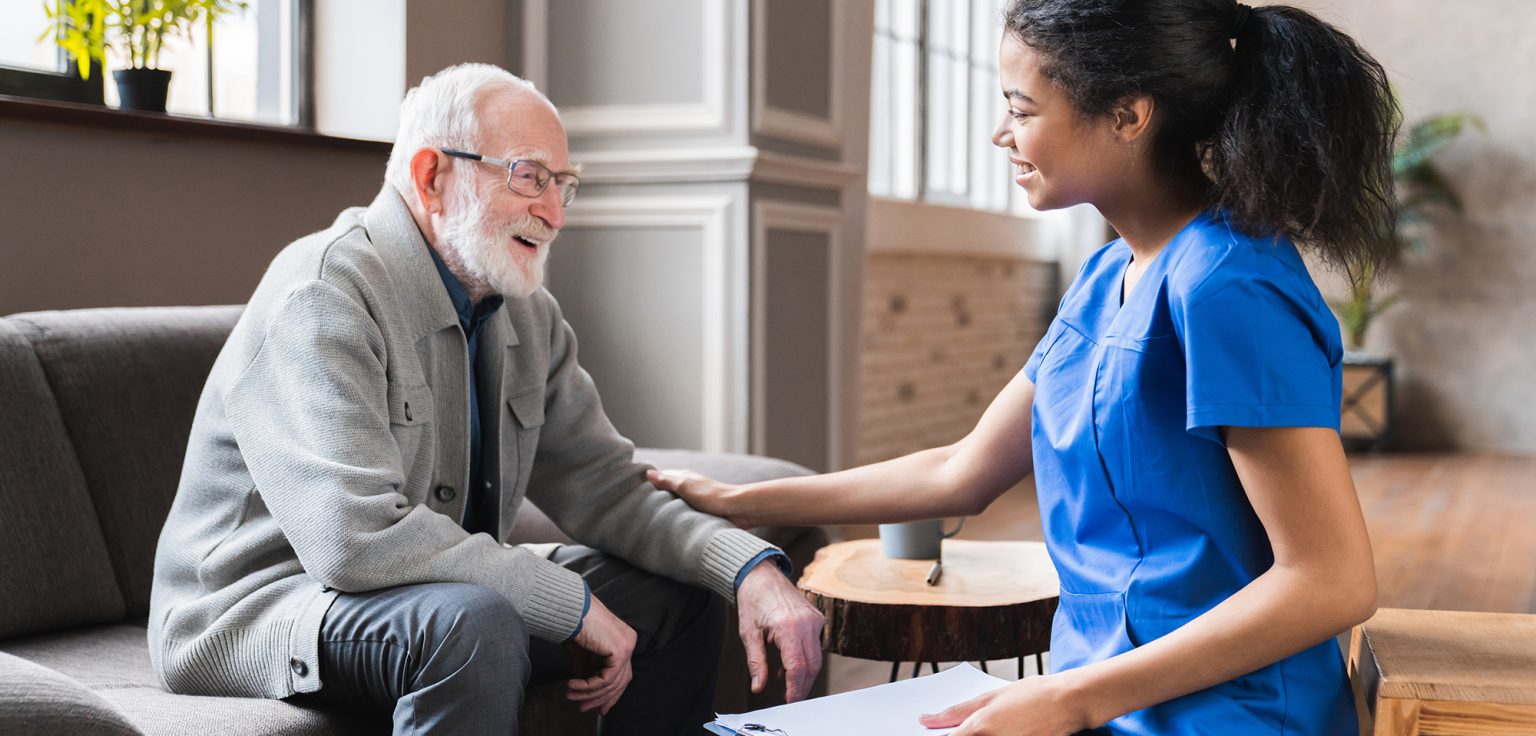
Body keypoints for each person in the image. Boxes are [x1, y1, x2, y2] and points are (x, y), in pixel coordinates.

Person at [649, 1, 1395, 733]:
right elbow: (959, 469)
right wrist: (743, 502)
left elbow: (1329, 580)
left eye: (1022, 108)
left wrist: (1073, 701)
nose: (1000, 133)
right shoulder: (1108, 277)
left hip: (1225, 716)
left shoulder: (1230, 285)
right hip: (1102, 699)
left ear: (1129, 116)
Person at [146, 63, 823, 736]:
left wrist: (747, 569)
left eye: (564, 185)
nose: (554, 213)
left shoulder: (527, 315)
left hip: (429, 601)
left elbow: (608, 489)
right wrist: (569, 603)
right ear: (432, 176)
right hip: (264, 609)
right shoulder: (323, 294)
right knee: (474, 622)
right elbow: (353, 542)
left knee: (676, 596)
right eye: (529, 176)